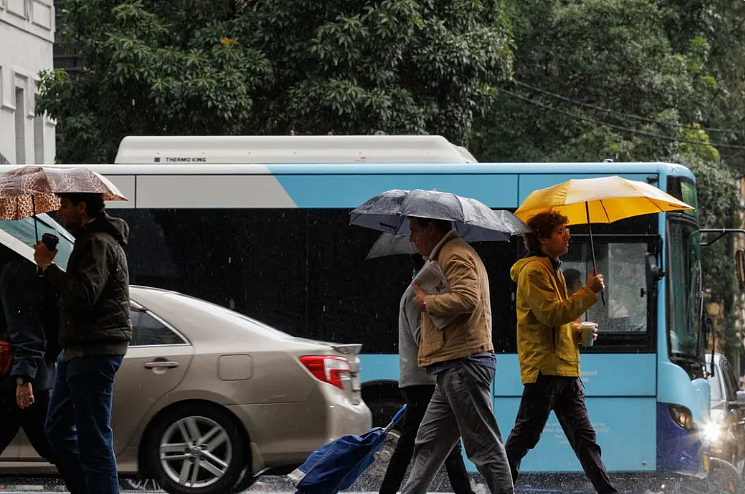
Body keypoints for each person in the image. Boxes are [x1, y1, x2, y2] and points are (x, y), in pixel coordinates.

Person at [505, 211, 617, 494]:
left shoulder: (553, 269)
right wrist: (588, 292)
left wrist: (578, 333)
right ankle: (499, 487)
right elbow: (551, 314)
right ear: (542, 239)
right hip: (545, 370)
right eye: (560, 231)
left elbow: (560, 321)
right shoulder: (533, 271)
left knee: (586, 440)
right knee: (525, 437)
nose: (567, 235)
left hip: (566, 368)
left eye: (566, 230)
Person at [400, 217, 513, 494]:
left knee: (484, 447)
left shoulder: (455, 254)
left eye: (415, 231)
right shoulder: (447, 255)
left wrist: (428, 302)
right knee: (428, 442)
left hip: (463, 363)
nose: (412, 239)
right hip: (451, 365)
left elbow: (467, 298)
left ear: (431, 228)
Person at [33, 192, 132, 494]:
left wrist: (49, 267)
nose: (60, 212)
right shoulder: (87, 241)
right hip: (76, 350)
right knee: (57, 428)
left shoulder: (98, 243)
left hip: (95, 350)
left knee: (94, 439)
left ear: (82, 207)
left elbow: (83, 296)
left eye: (64, 206)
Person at [379, 253, 474, 494]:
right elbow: (424, 340)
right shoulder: (415, 297)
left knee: (448, 444)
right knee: (415, 443)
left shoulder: (419, 295)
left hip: (426, 379)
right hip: (424, 380)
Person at [0, 252, 76, 492]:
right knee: (53, 443)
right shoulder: (22, 269)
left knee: (54, 443)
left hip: (17, 377)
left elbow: (26, 329)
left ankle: (91, 485)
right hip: (26, 374)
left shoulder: (15, 271)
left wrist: (24, 377)